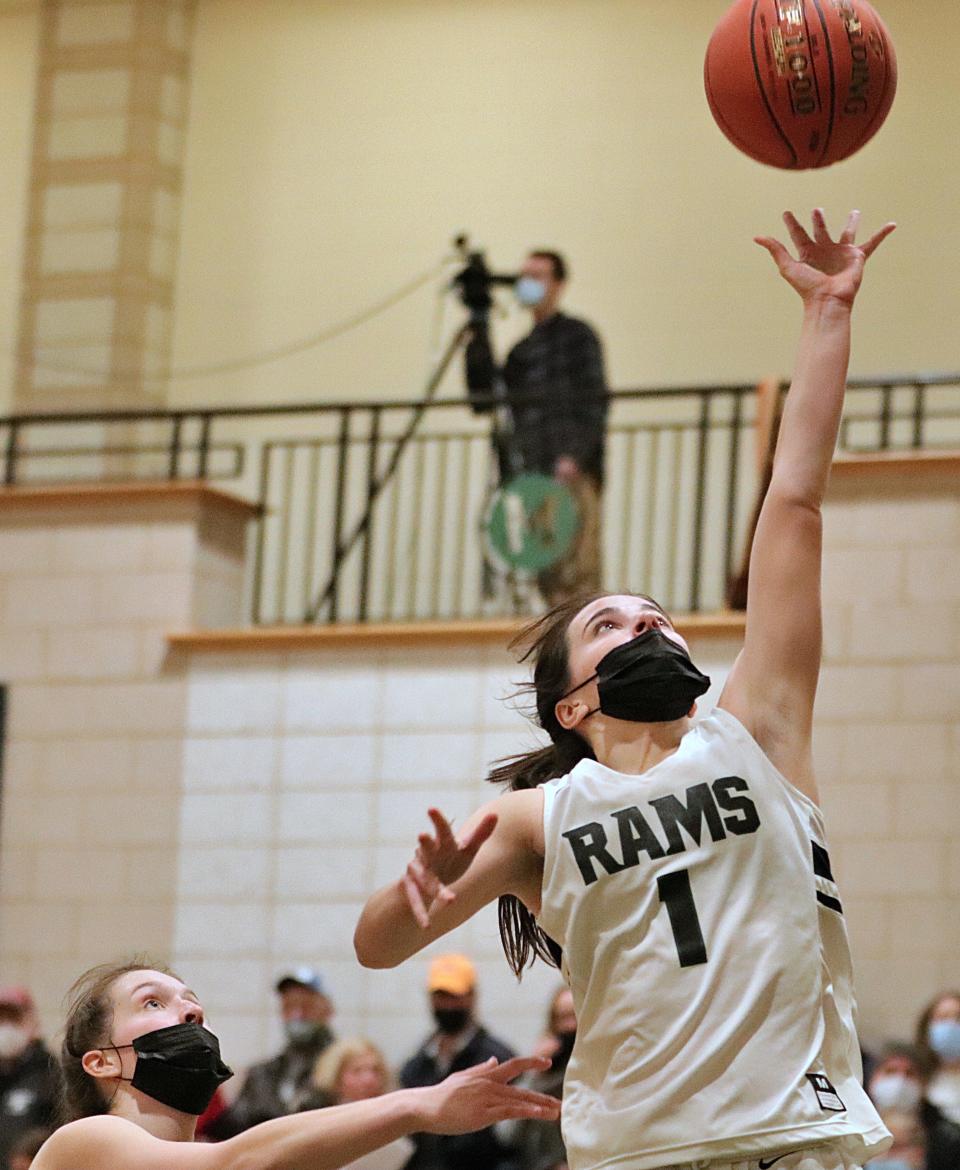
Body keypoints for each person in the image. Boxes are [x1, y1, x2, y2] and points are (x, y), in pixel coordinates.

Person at [355, 209, 897, 1170]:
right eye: (610, 623)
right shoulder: (535, 819)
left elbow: (795, 500)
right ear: (571, 705)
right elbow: (379, 947)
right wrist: (418, 892)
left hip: (796, 1138)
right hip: (633, 1153)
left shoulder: (758, 729)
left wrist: (828, 315)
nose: (649, 626)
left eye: (659, 617)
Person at [29, 959, 559, 1170]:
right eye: (152, 1002)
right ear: (99, 1062)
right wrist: (416, 1104)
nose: (191, 1009)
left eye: (192, 1000)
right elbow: (234, 1164)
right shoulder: (85, 1143)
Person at [468, 249, 608, 605]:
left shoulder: (579, 337)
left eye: (538, 275)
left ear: (558, 284)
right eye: (523, 275)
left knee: (576, 574)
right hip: (532, 474)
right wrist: (479, 324)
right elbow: (484, 398)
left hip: (569, 471)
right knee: (546, 576)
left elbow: (595, 399)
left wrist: (574, 456)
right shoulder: (522, 352)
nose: (527, 283)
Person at [399, 954, 519, 1170]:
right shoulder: (416, 1063)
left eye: (455, 996)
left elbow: (509, 1138)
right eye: (441, 996)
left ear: (472, 997)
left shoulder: (498, 1059)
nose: (447, 1005)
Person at [204, 966, 335, 1138]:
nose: (298, 1014)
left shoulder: (344, 1070)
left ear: (327, 1009)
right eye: (289, 1007)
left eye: (306, 1006)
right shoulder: (262, 1074)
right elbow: (234, 1130)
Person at [304, 1038, 413, 1170]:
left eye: (375, 1070)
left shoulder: (397, 1123)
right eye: (357, 1071)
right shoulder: (313, 1122)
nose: (369, 1080)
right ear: (336, 1078)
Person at [501, 986, 576, 1170]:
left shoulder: (599, 1068)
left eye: (574, 1016)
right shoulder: (542, 1076)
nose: (570, 1026)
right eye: (562, 1017)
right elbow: (507, 1135)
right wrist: (535, 1074)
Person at [866, 1041, 960, 1170]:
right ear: (872, 1080)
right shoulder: (846, 1131)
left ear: (923, 1085)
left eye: (909, 1074)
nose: (899, 1081)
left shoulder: (948, 1140)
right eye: (890, 1071)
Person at [0, 986, 60, 1170]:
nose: (6, 1026)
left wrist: (33, 1150)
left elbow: (64, 1126)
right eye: (0, 1019)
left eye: (13, 1018)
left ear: (31, 1022)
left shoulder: (52, 1073)